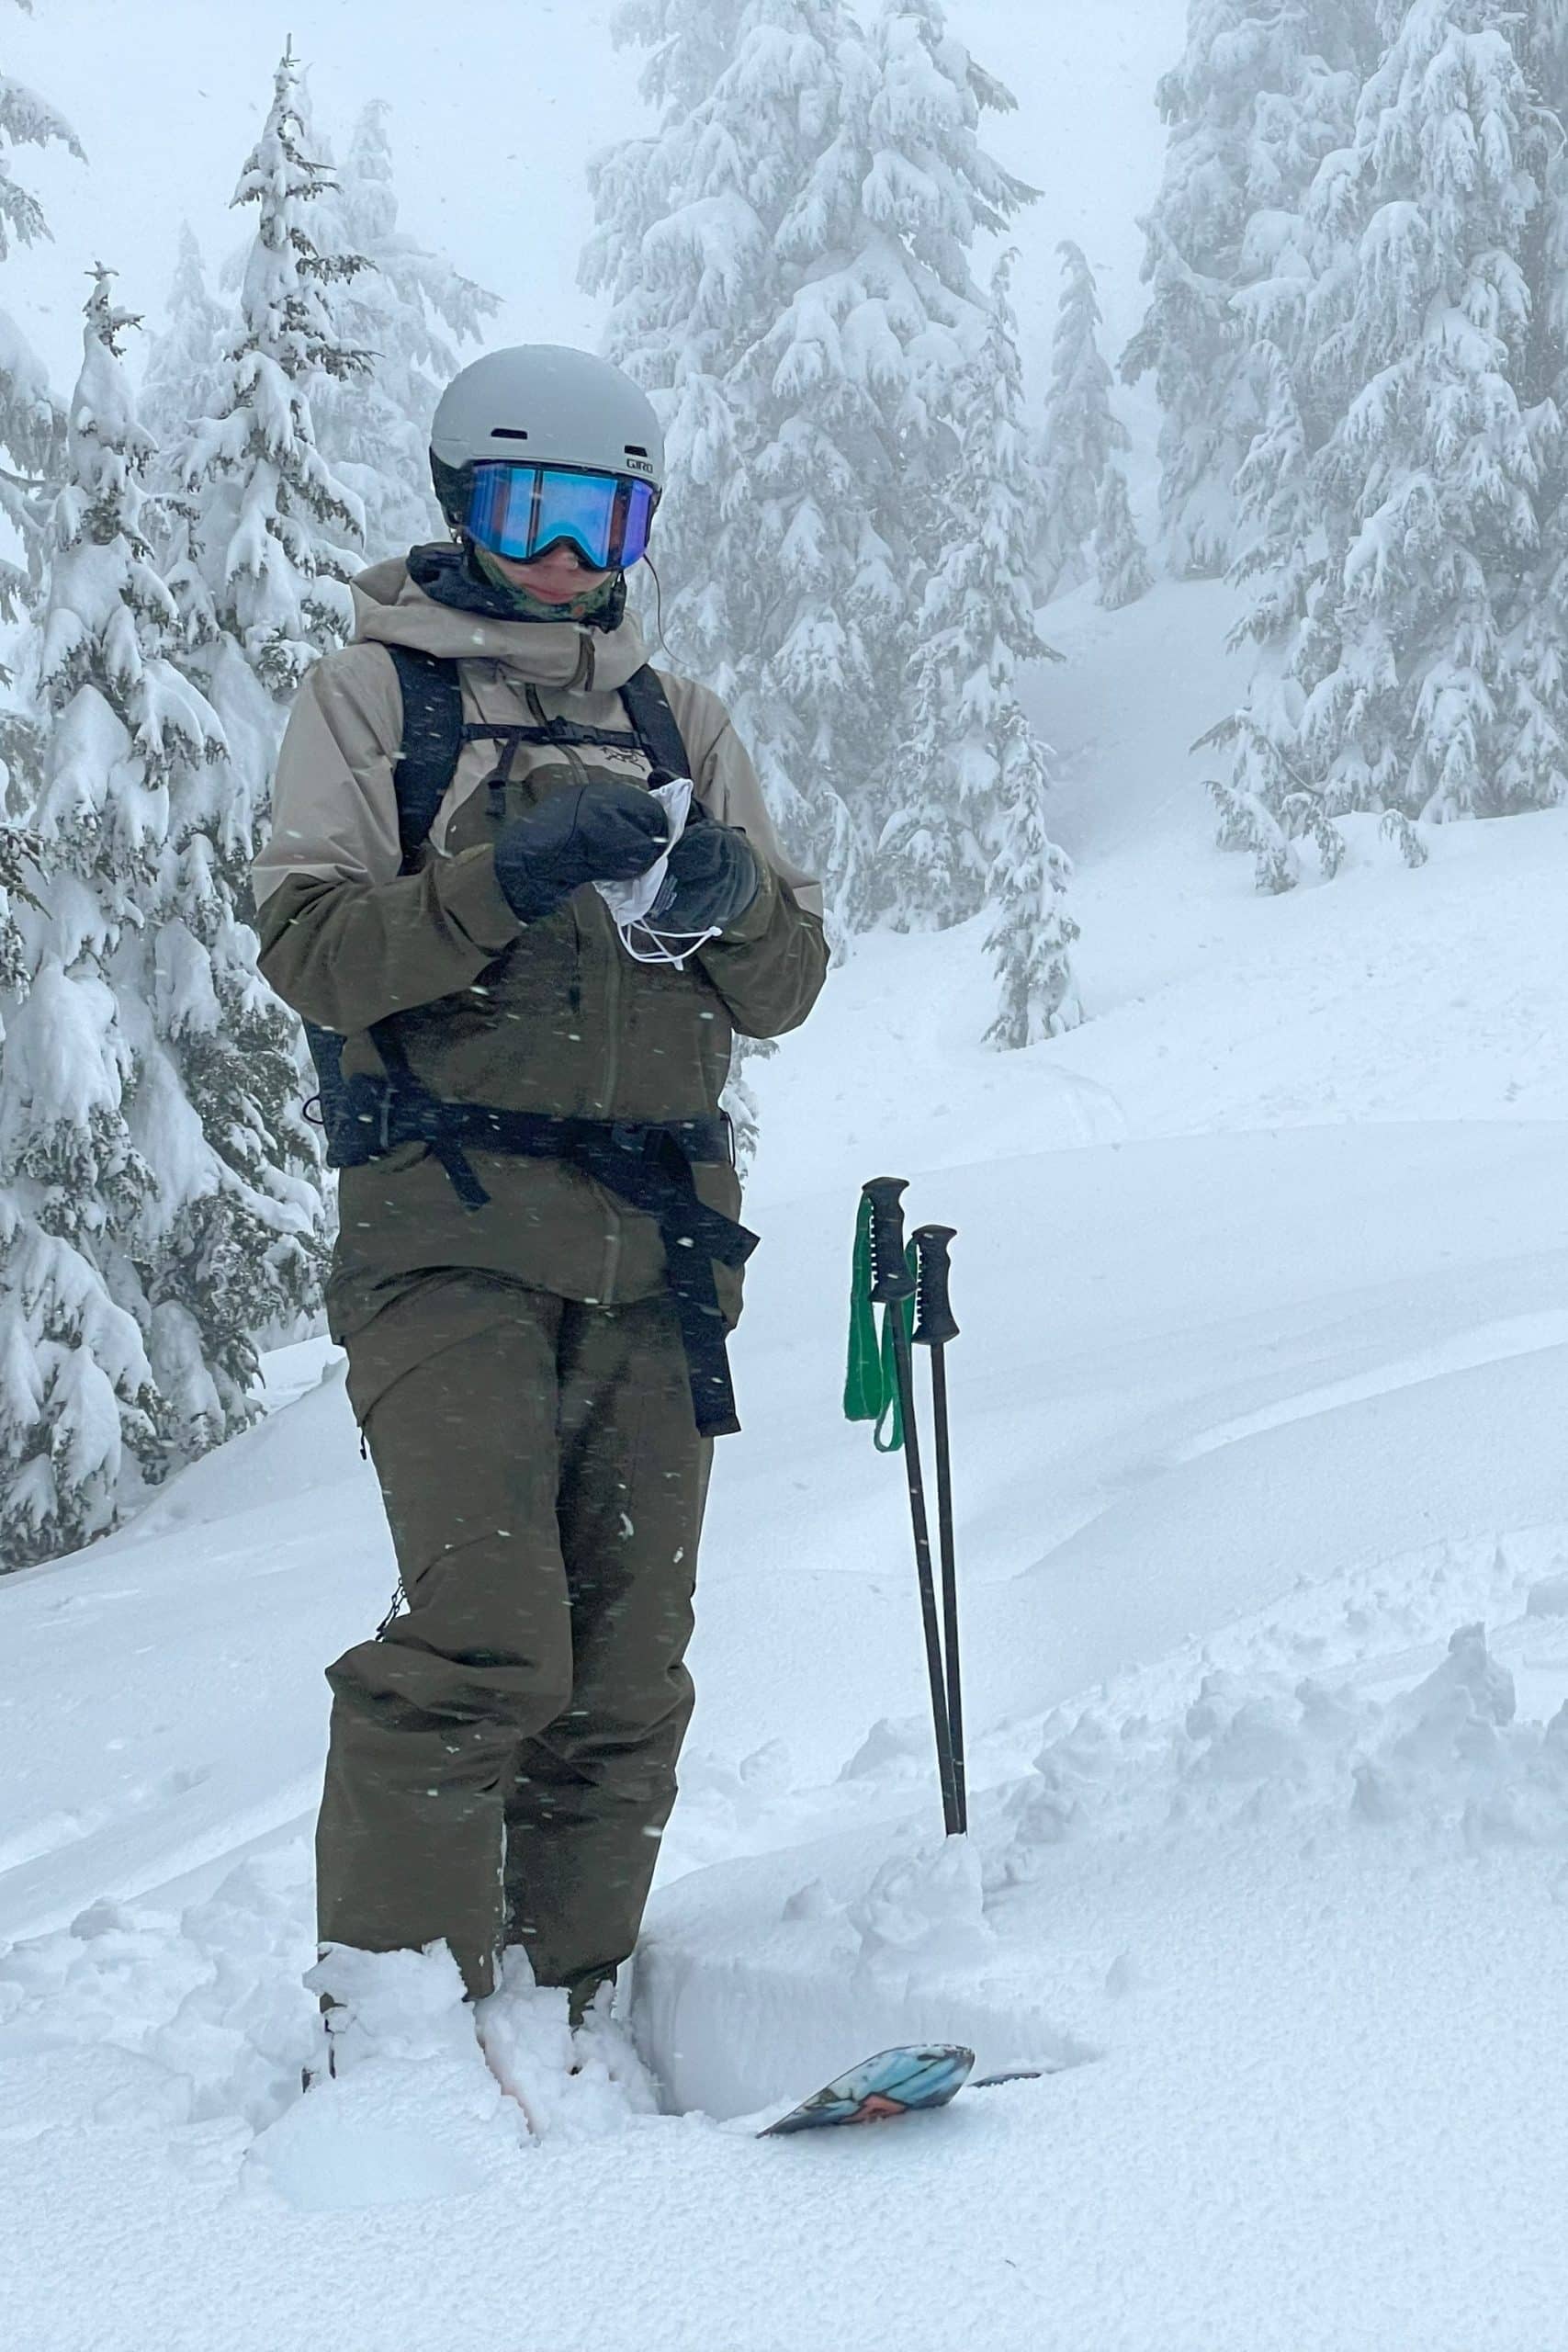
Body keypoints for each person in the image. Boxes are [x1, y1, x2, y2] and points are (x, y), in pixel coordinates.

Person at [252, 344, 827, 2076]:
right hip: (444, 1232)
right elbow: (315, 953)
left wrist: (726, 894)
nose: (569, 557)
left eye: (606, 517)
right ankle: (407, 2041)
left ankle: (568, 2010)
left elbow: (784, 989)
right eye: (531, 510)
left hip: (654, 1251)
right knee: (487, 1635)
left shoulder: (677, 717)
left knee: (629, 1674)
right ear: (462, 507)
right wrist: (502, 873)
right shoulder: (371, 698)